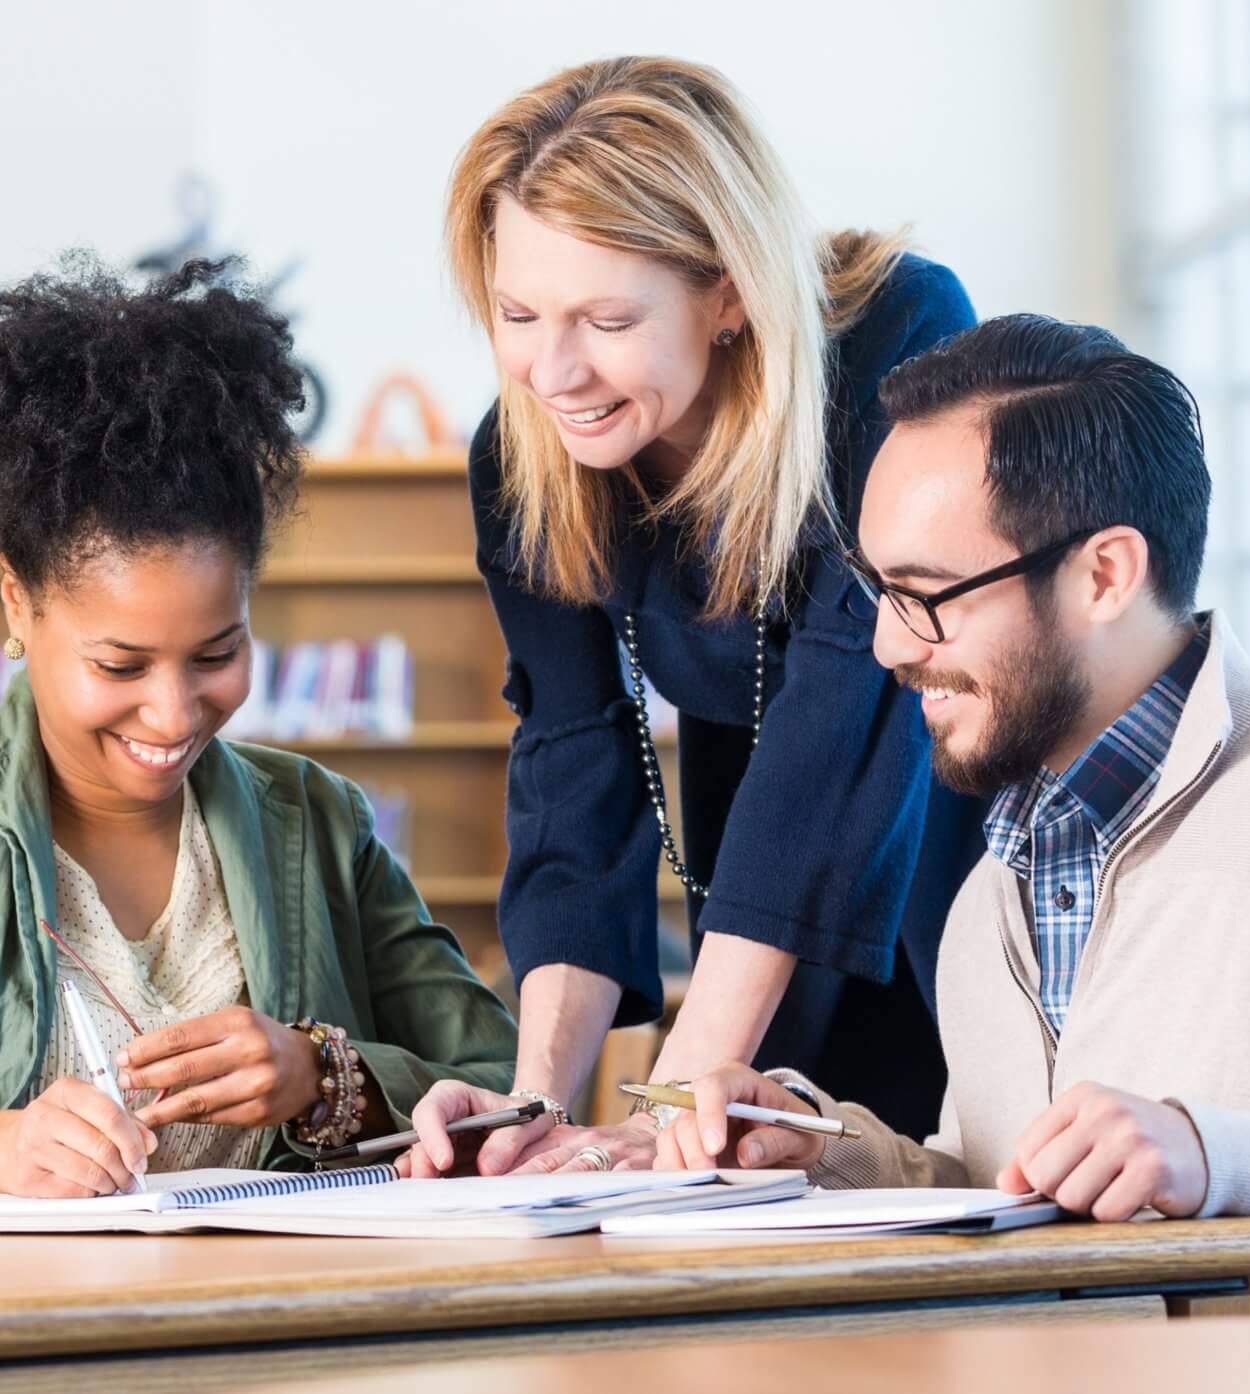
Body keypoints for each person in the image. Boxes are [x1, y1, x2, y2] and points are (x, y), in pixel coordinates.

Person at [701, 313, 1250, 1310]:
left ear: (1104, 574)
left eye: (926, 594)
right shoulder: (997, 878)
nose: (889, 649)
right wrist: (827, 1152)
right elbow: (1023, 1197)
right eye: (878, 591)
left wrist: (1220, 1156)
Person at [0, 258, 517, 1210]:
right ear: (18, 605)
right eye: (120, 666)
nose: (173, 713)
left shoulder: (317, 821)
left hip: (275, 1334)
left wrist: (324, 1081)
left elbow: (510, 1089)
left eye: (216, 654)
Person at [408, 56, 986, 1177]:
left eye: (606, 318)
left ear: (727, 293)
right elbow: (573, 769)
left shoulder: (896, 336)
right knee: (745, 1175)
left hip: (957, 823)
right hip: (760, 861)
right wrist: (535, 1098)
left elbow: (844, 714)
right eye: (517, 312)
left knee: (948, 1178)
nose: (551, 369)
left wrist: (673, 1093)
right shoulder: (520, 455)